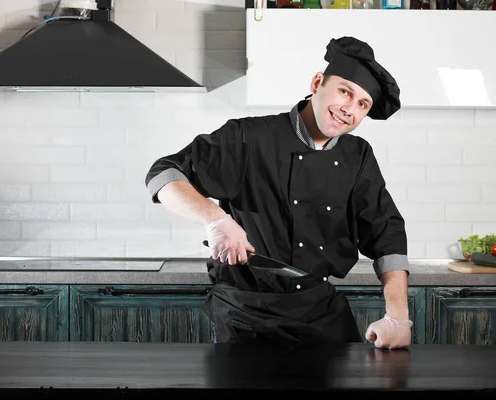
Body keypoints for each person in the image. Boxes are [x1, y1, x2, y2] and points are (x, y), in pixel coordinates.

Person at [145, 36, 413, 349]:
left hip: (319, 309)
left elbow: (386, 234)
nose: (348, 108)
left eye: (362, 104)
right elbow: (163, 175)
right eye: (345, 91)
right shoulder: (249, 137)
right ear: (317, 83)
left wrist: (397, 317)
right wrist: (215, 219)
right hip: (245, 311)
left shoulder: (358, 156)